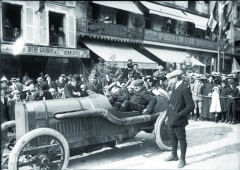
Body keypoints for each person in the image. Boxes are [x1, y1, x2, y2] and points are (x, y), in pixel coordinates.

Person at [164, 70, 194, 169]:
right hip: (172, 116)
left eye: (171, 78)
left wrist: (180, 114)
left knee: (181, 138)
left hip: (179, 118)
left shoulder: (184, 88)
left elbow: (190, 106)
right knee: (172, 136)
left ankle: (182, 159)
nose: (170, 80)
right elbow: (170, 103)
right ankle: (174, 155)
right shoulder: (174, 87)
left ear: (177, 78)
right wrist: (168, 116)